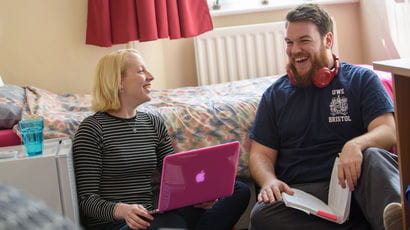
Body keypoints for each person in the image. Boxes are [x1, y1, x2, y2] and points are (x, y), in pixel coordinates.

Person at [248, 3, 400, 230]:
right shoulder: (274, 95)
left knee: (375, 158)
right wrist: (269, 181)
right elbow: (260, 154)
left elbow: (388, 130)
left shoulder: (361, 79)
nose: (294, 49)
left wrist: (355, 145)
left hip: (353, 186)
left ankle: (398, 221)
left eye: (304, 41)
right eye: (289, 42)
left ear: (328, 40)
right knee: (262, 216)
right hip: (303, 194)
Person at [72, 49, 250, 230]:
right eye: (141, 71)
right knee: (169, 223)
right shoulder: (92, 129)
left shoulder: (153, 123)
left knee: (238, 190)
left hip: (152, 218)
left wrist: (200, 195)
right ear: (118, 82)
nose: (151, 77)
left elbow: (175, 179)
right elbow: (86, 201)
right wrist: (123, 210)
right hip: (119, 224)